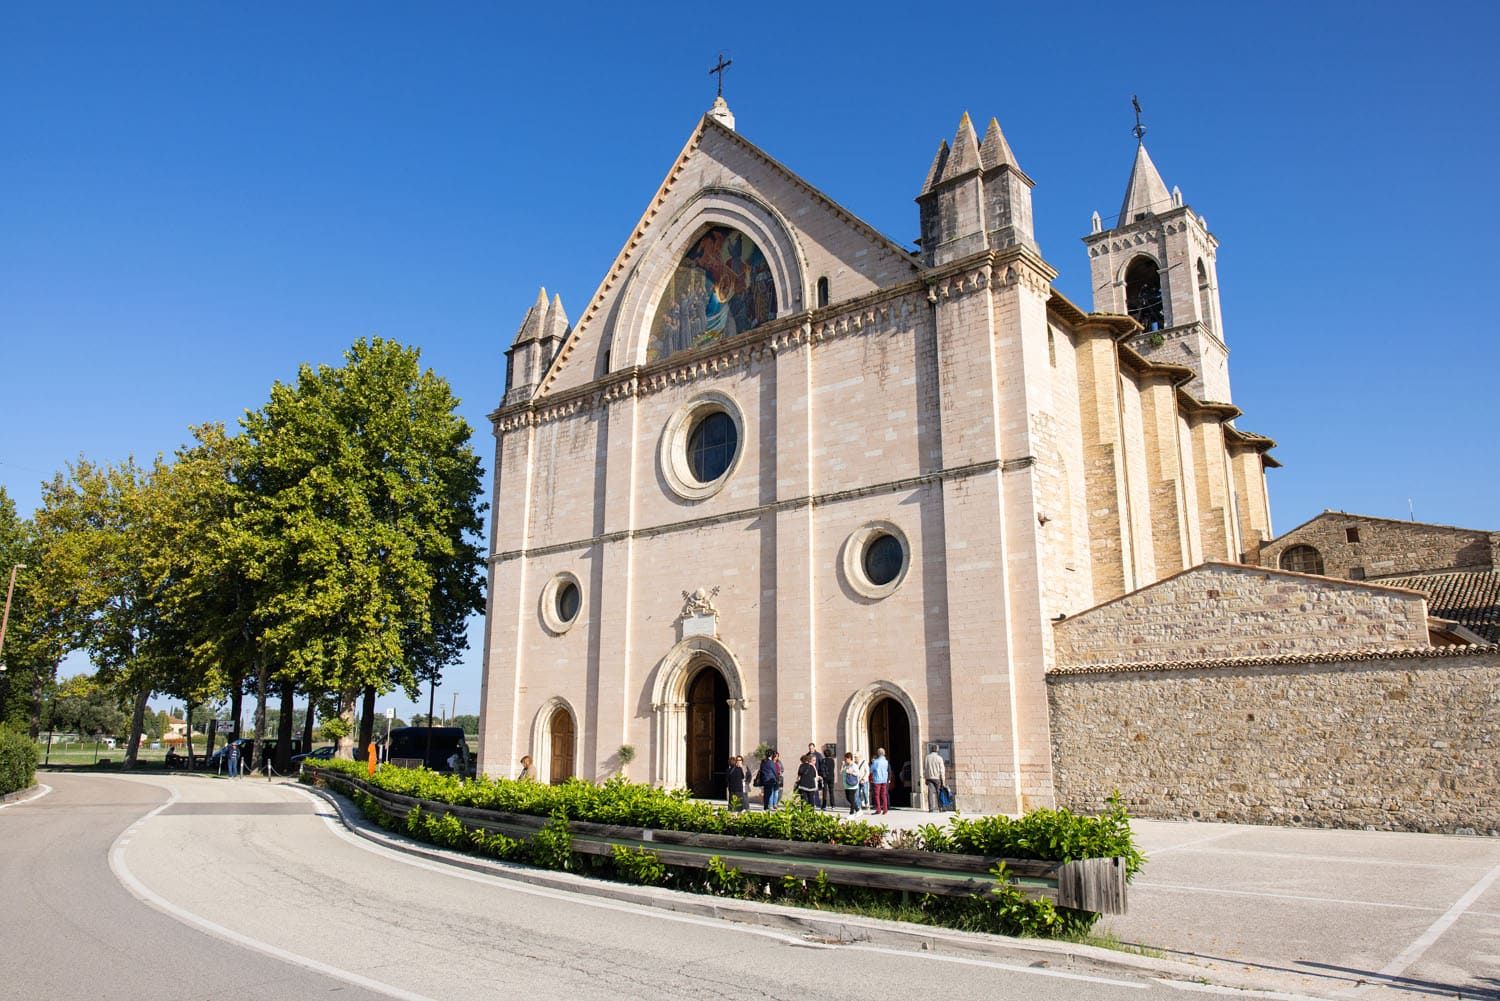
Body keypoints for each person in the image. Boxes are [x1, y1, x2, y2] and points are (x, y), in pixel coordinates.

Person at [924, 744, 947, 812]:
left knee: (930, 793)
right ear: (937, 750)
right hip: (937, 778)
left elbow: (925, 768)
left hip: (930, 777)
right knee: (939, 792)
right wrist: (943, 780)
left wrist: (926, 778)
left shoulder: (927, 757)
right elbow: (942, 770)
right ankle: (941, 807)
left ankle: (931, 808)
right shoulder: (939, 758)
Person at [869, 746, 891, 814]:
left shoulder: (876, 762)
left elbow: (871, 770)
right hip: (884, 779)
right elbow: (888, 770)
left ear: (878, 753)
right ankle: (885, 809)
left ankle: (878, 809)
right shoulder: (886, 762)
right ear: (884, 753)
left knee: (877, 795)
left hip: (877, 779)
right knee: (884, 795)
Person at [816, 748, 837, 812]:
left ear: (824, 754)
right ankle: (833, 805)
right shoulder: (832, 760)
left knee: (824, 792)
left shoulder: (823, 760)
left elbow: (821, 769)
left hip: (825, 778)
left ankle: (824, 806)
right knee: (831, 791)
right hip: (831, 777)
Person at [805, 743, 825, 808]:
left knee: (815, 789)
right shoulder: (807, 755)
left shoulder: (819, 755)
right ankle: (810, 803)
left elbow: (821, 765)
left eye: (812, 748)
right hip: (809, 775)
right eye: (809, 748)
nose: (811, 749)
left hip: (816, 774)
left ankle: (817, 803)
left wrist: (820, 774)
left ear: (814, 747)